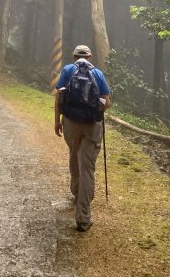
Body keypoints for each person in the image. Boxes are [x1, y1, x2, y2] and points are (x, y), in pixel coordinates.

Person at [54, 44, 111, 232]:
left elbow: (59, 98)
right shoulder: (98, 74)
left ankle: (76, 191)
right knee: (87, 167)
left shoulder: (68, 70)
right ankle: (83, 218)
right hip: (92, 126)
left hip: (70, 123)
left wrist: (58, 121)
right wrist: (95, 111)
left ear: (74, 56)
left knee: (74, 154)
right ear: (90, 57)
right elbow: (107, 102)